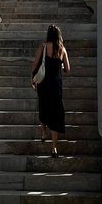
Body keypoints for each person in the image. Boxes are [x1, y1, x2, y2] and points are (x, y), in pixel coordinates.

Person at [31, 24, 70, 157]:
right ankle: (54, 148)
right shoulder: (62, 49)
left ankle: (43, 132)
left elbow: (35, 64)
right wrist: (61, 65)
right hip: (56, 85)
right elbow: (68, 69)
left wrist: (32, 78)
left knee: (43, 107)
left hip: (43, 83)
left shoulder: (43, 47)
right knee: (55, 114)